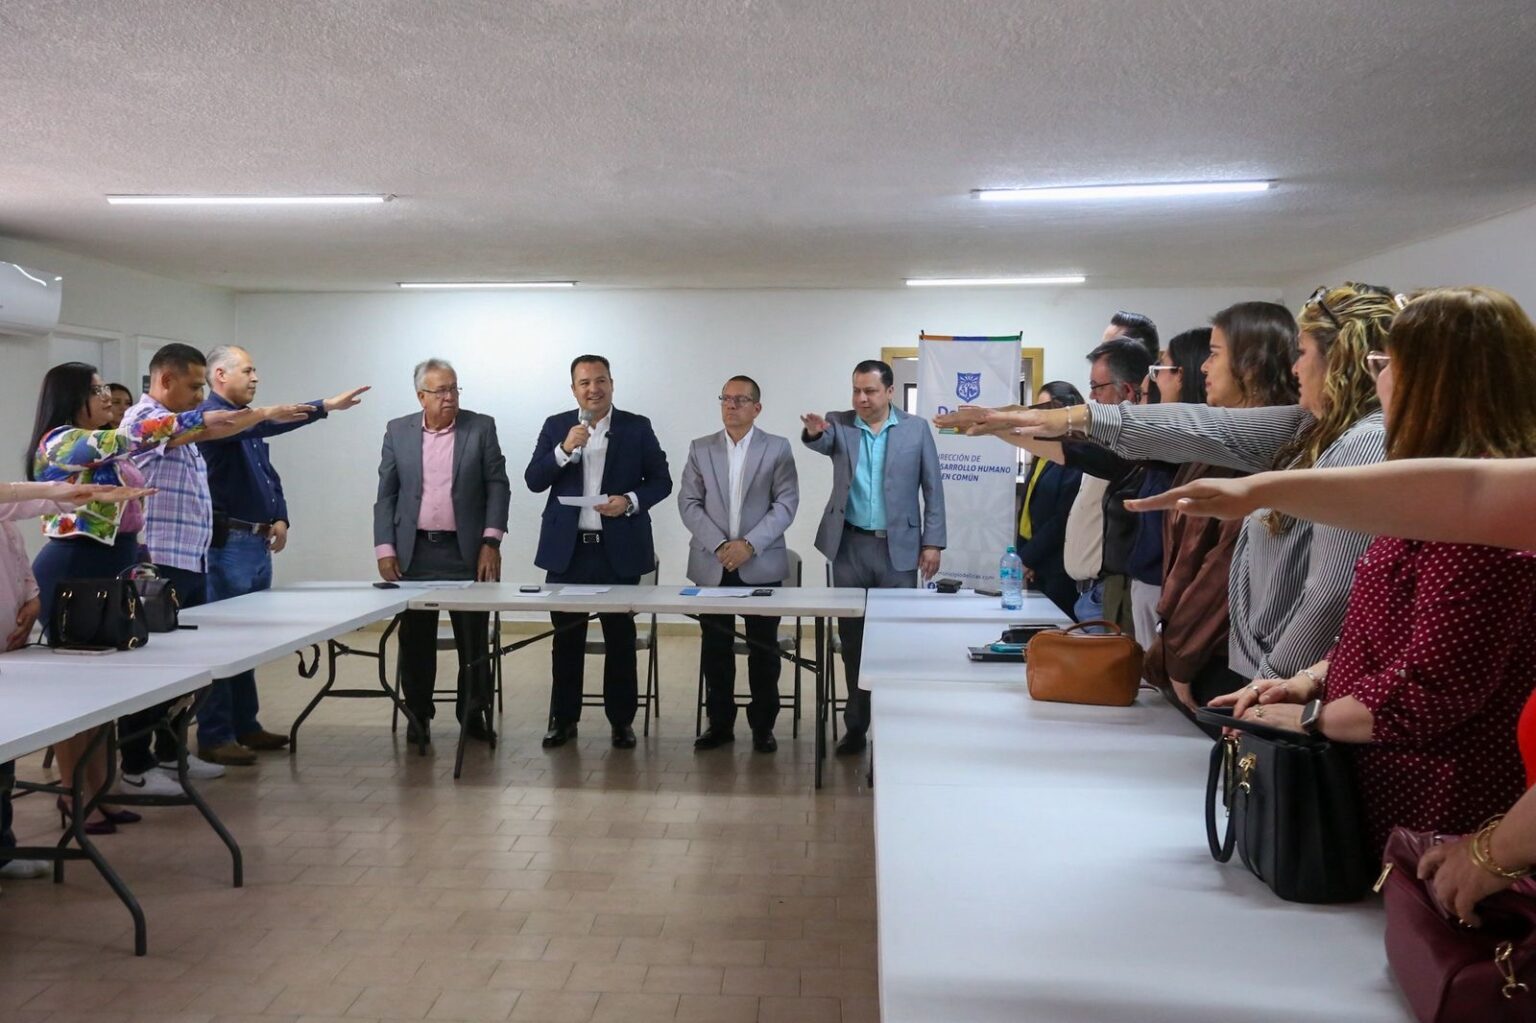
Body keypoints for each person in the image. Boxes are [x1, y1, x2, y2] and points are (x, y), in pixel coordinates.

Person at [943, 286, 1394, 704]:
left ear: (1342, 361)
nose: (1296, 367)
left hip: (1276, 683)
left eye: (1304, 353)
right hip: (1259, 670)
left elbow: (1330, 593)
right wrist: (1043, 419)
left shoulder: (1361, 442)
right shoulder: (1306, 429)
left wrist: (1270, 686)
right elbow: (1191, 426)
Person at [1205, 286, 1536, 854]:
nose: (1378, 379)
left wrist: (1308, 718)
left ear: (1431, 381)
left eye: (1386, 364)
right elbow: (1386, 630)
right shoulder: (1436, 493)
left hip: (1435, 812)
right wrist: (1312, 677)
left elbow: (1432, 687)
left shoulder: (1481, 526)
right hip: (1383, 783)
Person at [28, 361, 291, 814]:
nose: (107, 395)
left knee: (102, 697)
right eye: (95, 390)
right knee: (77, 698)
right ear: (71, 397)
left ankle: (101, 792)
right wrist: (201, 416)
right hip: (76, 568)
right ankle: (77, 802)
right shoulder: (63, 441)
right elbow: (128, 438)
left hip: (115, 566)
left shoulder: (106, 442)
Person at [121, 344, 315, 781]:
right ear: (165, 380)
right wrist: (277, 412)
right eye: (193, 386)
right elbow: (204, 424)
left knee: (184, 668)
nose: (198, 395)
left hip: (189, 560)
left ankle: (171, 752)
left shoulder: (179, 427)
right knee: (152, 670)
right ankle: (137, 763)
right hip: (159, 563)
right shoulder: (141, 420)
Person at [194, 346, 368, 763]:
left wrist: (280, 516)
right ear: (219, 375)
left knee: (248, 642)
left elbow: (267, 476)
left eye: (256, 370)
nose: (255, 378)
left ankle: (245, 725)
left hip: (255, 542)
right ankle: (216, 734)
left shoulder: (248, 421)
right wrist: (323, 406)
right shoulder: (220, 421)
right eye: (247, 370)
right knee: (223, 644)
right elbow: (268, 425)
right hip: (228, 545)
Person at [1148, 313, 1298, 712]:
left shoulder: (1262, 453)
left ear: (1250, 364)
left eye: (1214, 354)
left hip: (1218, 658)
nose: (1203, 368)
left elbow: (1222, 573)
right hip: (1189, 646)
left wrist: (1179, 656)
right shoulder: (1215, 446)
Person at [2, 480, 147, 881]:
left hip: (9, 643)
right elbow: (14, 495)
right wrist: (69, 491)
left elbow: (17, 543)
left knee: (4, 761)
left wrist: (32, 598)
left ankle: (3, 848)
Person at [525, 355, 672, 750]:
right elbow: (534, 480)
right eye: (585, 382)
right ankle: (564, 720)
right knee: (566, 642)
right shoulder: (557, 426)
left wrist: (630, 500)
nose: (594, 388)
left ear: (612, 383)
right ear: (573, 389)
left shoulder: (636, 427)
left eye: (601, 380)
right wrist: (562, 449)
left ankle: (621, 722)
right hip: (568, 553)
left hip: (617, 551)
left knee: (620, 641)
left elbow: (662, 480)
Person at [801, 359, 946, 755]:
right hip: (849, 547)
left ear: (890, 392)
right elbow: (821, 441)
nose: (861, 399)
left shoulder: (916, 429)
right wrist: (813, 433)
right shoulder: (840, 422)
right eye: (856, 391)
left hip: (897, 550)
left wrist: (932, 542)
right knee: (853, 642)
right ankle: (855, 726)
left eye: (870, 391)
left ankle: (894, 725)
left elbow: (933, 488)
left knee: (894, 642)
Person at [375, 358, 509, 748]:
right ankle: (419, 716)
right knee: (416, 643)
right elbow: (387, 494)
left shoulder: (480, 427)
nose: (449, 397)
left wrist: (491, 541)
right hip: (414, 553)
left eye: (454, 388)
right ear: (421, 396)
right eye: (440, 391)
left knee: (473, 642)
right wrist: (385, 547)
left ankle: (473, 717)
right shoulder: (397, 431)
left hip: (466, 552)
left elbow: (498, 485)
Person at [678, 375, 800, 753]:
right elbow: (688, 503)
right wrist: (719, 545)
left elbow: (785, 504)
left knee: (763, 650)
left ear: (757, 408)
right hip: (712, 567)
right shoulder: (701, 449)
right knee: (716, 649)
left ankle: (763, 726)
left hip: (760, 564)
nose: (731, 406)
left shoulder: (777, 448)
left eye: (741, 400)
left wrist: (749, 545)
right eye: (726, 399)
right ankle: (720, 724)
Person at [1016, 382, 1083, 617]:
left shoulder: (1076, 452)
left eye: (1044, 408)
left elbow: (1062, 519)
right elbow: (1029, 508)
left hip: (1057, 567)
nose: (1038, 414)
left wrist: (1030, 557)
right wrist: (1026, 558)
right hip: (1036, 563)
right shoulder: (1043, 447)